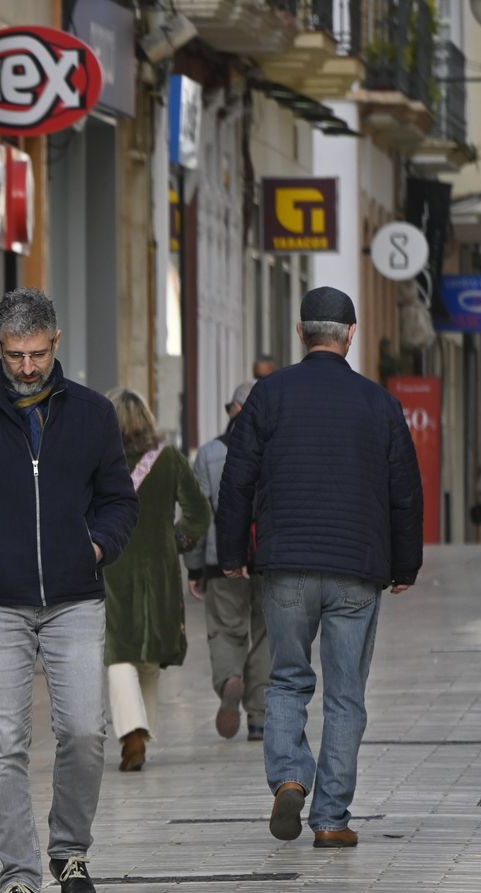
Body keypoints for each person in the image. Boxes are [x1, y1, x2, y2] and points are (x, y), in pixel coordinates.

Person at [0, 288, 137, 893]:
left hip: (74, 596)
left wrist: (96, 548)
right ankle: (18, 877)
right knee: (5, 741)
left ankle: (69, 853)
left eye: (38, 354)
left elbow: (120, 501)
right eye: (15, 355)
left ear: (56, 344)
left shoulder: (94, 415)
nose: (26, 368)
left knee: (83, 731)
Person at [216, 286, 423, 849]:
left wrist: (232, 554)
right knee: (346, 694)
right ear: (350, 335)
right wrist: (406, 564)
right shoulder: (379, 403)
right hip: (357, 568)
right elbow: (405, 490)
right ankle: (331, 818)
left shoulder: (268, 395)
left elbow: (237, 478)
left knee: (287, 680)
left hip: (286, 566)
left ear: (301, 333)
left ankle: (288, 775)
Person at [102, 387, 211, 772]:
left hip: (112, 565)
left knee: (117, 651)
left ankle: (132, 733)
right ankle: (140, 732)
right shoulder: (169, 459)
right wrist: (176, 540)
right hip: (161, 566)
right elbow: (199, 512)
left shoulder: (96, 462)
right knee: (147, 654)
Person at [185, 381, 270, 742]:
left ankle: (230, 678)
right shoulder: (280, 448)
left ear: (234, 410)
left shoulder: (208, 455)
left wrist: (193, 566)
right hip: (270, 560)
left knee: (224, 628)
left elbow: (197, 515)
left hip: (223, 560)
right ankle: (259, 718)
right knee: (267, 634)